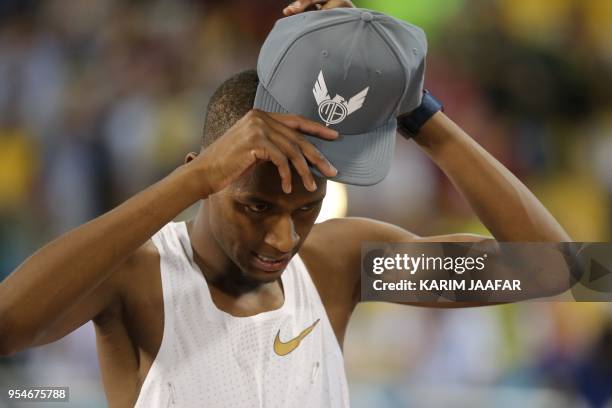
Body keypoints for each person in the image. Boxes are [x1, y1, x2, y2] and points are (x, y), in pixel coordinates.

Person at [0, 1, 570, 407]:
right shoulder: (138, 275)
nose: (280, 239)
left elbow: (562, 271)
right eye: (254, 207)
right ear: (202, 169)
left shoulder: (335, 264)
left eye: (305, 210)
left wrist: (415, 108)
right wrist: (189, 182)